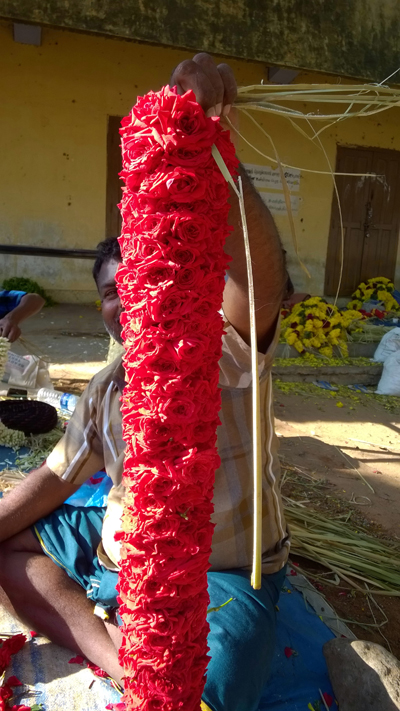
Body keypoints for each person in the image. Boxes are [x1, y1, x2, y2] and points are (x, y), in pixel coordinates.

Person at [0, 54, 289, 711]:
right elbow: (57, 475)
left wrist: (215, 160)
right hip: (116, 561)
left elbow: (260, 286)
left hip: (214, 575)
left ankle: (139, 654)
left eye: (146, 272)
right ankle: (117, 649)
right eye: (111, 290)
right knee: (9, 545)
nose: (130, 296)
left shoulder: (222, 353)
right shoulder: (106, 387)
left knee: (199, 689)